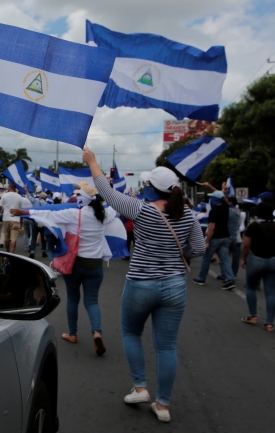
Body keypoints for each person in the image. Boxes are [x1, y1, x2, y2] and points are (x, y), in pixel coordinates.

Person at [82, 148, 205, 423]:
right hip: (175, 286)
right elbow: (198, 248)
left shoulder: (140, 209)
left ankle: (140, 388)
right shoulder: (188, 216)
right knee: (166, 347)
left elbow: (108, 194)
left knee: (130, 333)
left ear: (151, 189)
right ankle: (163, 406)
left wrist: (92, 162)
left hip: (140, 284)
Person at [12, 181, 117, 356]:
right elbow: (116, 207)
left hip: (75, 264)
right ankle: (97, 332)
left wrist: (24, 212)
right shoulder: (105, 214)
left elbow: (48, 213)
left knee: (73, 299)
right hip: (96, 266)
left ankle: (73, 334)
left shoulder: (75, 214)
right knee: (92, 301)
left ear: (82, 199)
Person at [240, 202, 275, 331]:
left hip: (256, 259)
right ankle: (270, 322)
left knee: (251, 287)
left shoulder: (253, 226)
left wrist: (244, 259)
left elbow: (246, 244)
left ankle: (253, 315)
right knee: (271, 292)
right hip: (272, 260)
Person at [192, 190, 236, 289]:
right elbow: (224, 198)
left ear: (215, 199)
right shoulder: (226, 207)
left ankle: (201, 278)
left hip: (215, 238)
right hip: (225, 236)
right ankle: (230, 279)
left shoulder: (214, 211)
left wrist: (207, 241)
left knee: (206, 258)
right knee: (225, 260)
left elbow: (212, 227)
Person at [0, 183, 24, 253]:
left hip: (6, 219)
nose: (7, 188)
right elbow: (21, 210)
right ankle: (12, 253)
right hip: (15, 219)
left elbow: (0, 208)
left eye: (8, 186)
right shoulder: (19, 197)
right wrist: (21, 221)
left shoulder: (5, 195)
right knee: (14, 238)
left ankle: (8, 253)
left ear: (11, 187)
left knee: (7, 238)